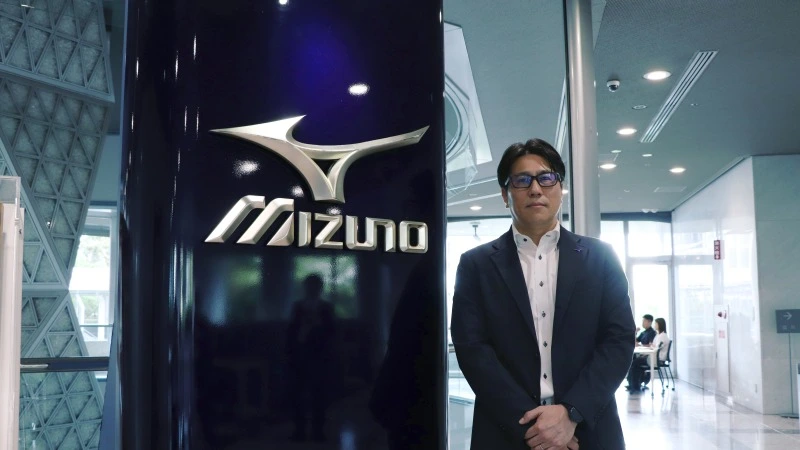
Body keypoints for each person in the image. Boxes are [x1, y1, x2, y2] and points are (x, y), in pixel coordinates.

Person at [451, 139, 636, 450]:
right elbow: (472, 349)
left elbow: (619, 340)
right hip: (506, 432)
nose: (535, 189)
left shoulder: (601, 257)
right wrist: (535, 427)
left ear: (560, 189)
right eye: (522, 180)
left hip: (588, 430)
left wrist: (571, 413)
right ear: (505, 195)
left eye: (546, 178)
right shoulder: (476, 265)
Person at [627, 318, 670, 392]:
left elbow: (656, 348)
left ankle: (634, 385)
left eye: (656, 324)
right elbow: (653, 345)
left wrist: (650, 347)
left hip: (656, 359)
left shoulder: (662, 336)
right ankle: (634, 385)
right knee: (635, 361)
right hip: (653, 357)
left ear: (660, 325)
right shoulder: (658, 335)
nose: (654, 325)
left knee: (634, 362)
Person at [626, 314, 656, 391]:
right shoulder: (644, 332)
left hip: (647, 356)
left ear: (649, 322)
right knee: (631, 360)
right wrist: (635, 332)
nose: (642, 323)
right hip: (641, 355)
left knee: (633, 362)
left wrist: (640, 345)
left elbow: (651, 345)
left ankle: (634, 384)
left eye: (644, 321)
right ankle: (633, 383)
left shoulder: (652, 333)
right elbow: (636, 341)